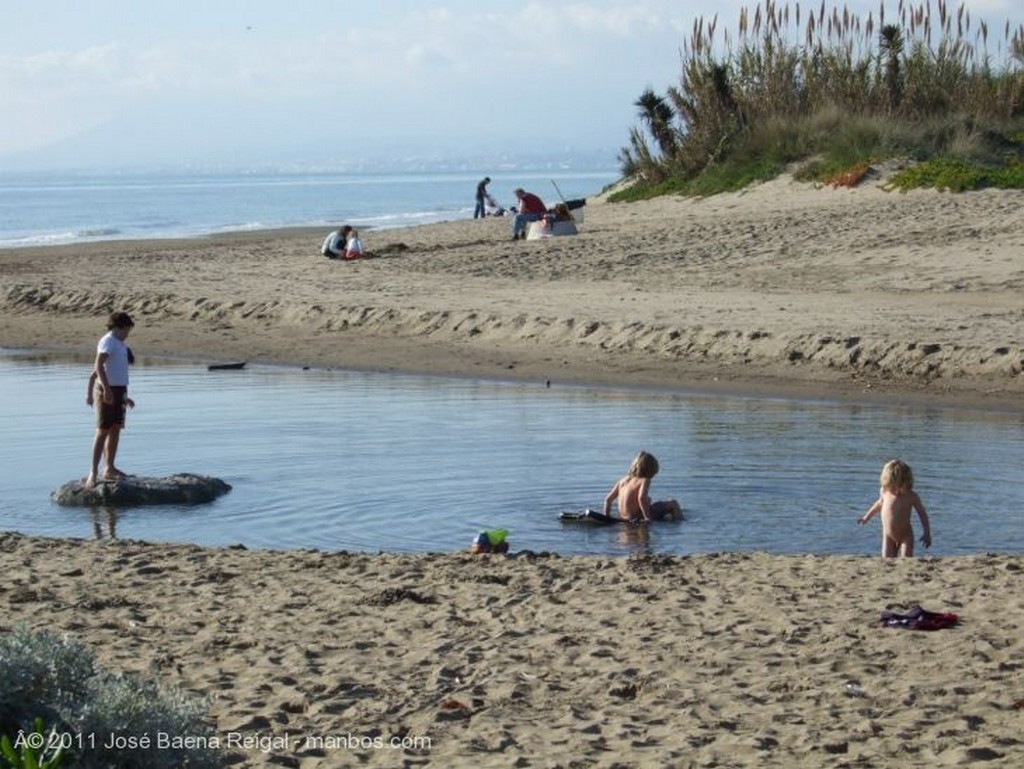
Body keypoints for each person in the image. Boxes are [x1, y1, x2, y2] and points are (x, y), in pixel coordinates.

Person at [85, 311, 136, 489]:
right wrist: (105, 389)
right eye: (126, 329)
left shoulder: (120, 344)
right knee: (102, 430)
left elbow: (117, 371)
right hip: (106, 389)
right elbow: (98, 365)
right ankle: (93, 471)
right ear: (117, 327)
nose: (128, 333)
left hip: (119, 390)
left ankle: (109, 468)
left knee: (115, 428)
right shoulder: (108, 341)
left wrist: (124, 396)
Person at [858, 458, 932, 557]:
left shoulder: (911, 496)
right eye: (892, 486)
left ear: (906, 483)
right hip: (888, 535)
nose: (896, 491)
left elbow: (922, 514)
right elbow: (879, 504)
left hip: (905, 535)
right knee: (886, 560)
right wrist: (866, 517)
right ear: (886, 482)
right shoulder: (884, 491)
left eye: (899, 487)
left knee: (906, 561)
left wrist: (926, 533)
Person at [602, 451, 682, 523]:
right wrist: (647, 517)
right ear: (651, 469)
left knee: (649, 499)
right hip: (637, 517)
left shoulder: (622, 480)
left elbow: (608, 499)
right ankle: (681, 522)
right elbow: (641, 498)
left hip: (624, 517)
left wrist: (606, 517)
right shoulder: (644, 480)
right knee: (673, 503)